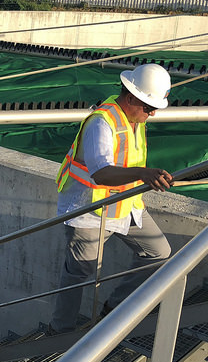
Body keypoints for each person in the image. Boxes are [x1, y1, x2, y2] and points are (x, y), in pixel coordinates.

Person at [49, 63, 174, 334]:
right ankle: (59, 334)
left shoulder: (134, 118)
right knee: (80, 273)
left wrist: (143, 176)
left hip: (124, 207)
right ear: (130, 98)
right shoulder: (101, 123)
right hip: (89, 210)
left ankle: (114, 309)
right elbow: (101, 173)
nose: (152, 113)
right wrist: (143, 173)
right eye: (148, 107)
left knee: (159, 254)